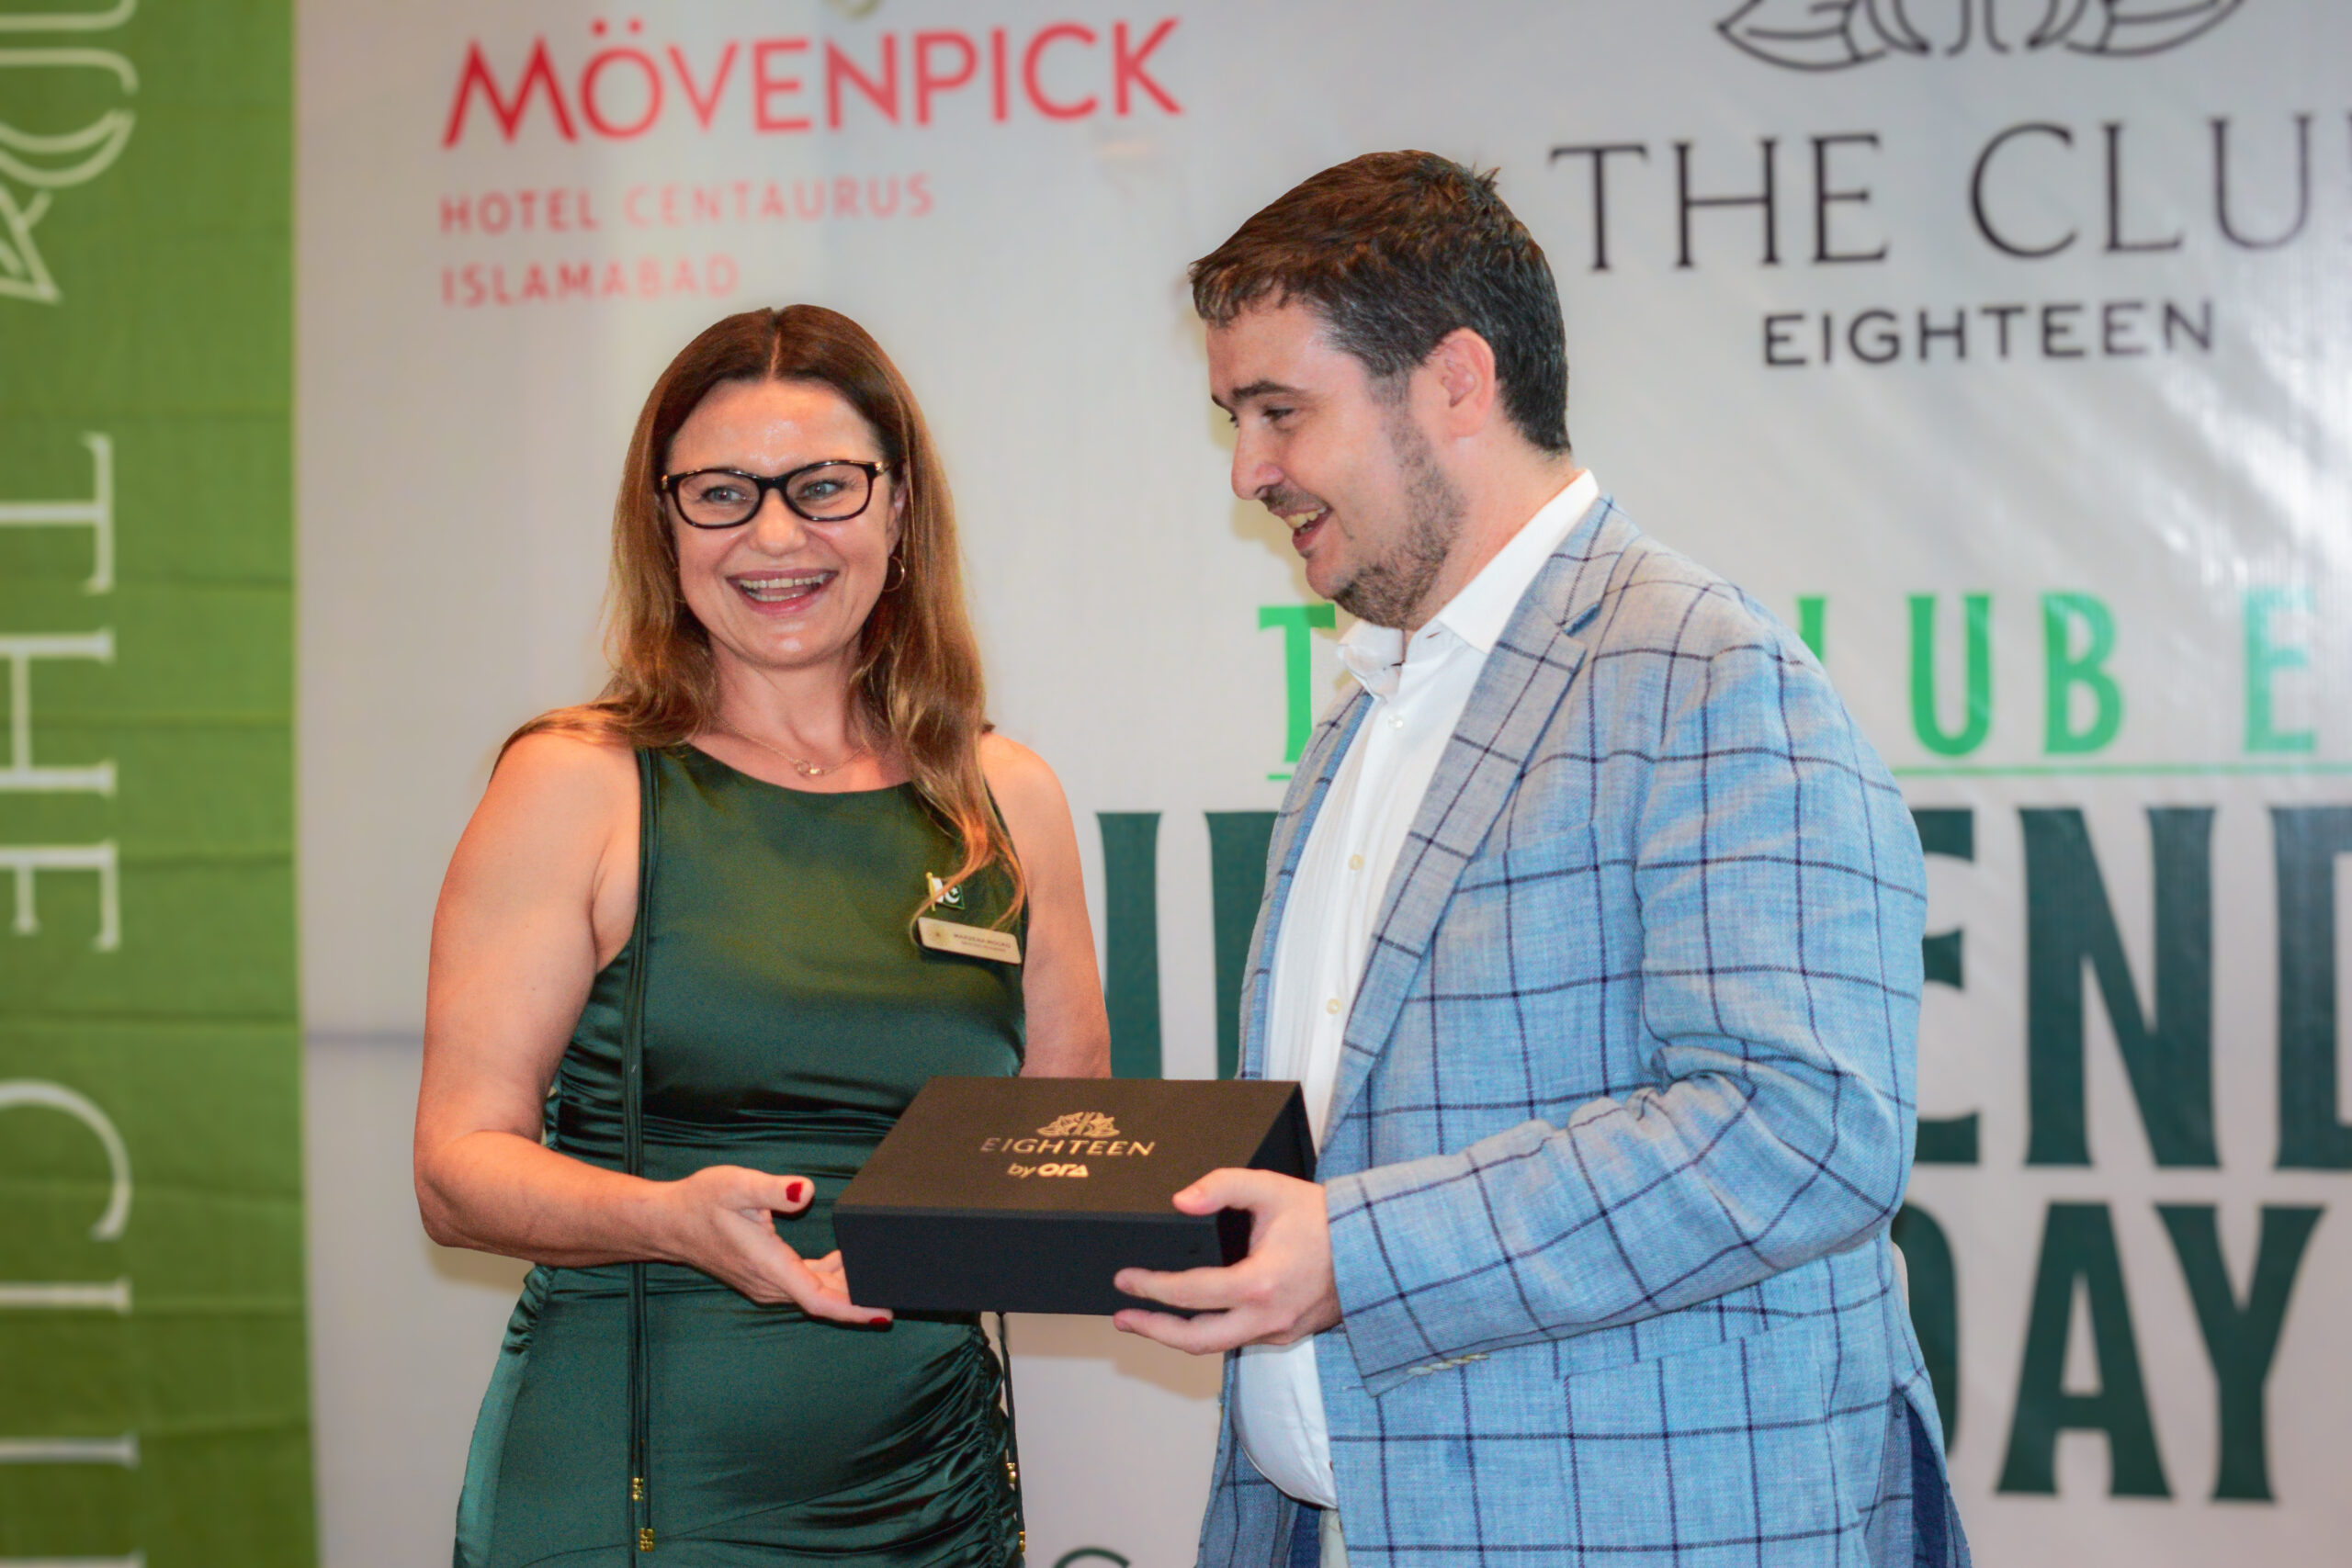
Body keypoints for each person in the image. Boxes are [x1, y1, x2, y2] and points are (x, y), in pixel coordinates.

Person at [1110, 153, 1970, 1567]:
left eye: (1280, 412)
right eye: (1235, 422)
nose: (1250, 471)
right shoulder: (1372, 711)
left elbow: (1806, 1128)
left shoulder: (1708, 676)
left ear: (1456, 380)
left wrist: (1357, 1254)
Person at [415, 304, 1110, 1566]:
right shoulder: (578, 783)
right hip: (639, 1495)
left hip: (933, 1494)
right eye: (723, 494)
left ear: (899, 508)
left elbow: (1062, 1149)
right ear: (664, 524)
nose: (775, 535)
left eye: (823, 487)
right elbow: (456, 1172)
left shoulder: (1008, 799)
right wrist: (669, 1219)